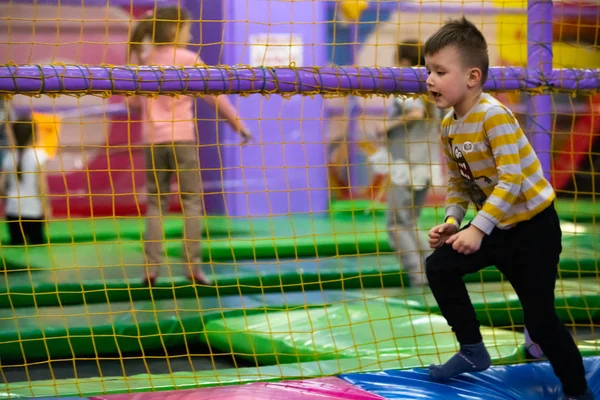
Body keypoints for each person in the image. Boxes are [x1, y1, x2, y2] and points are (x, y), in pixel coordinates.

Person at [423, 17, 594, 400]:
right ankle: (472, 350)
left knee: (540, 319)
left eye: (439, 71)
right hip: (496, 226)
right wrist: (453, 221)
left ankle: (577, 390)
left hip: (534, 229)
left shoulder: (493, 115)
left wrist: (478, 228)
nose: (429, 79)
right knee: (439, 266)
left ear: (472, 77)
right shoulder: (449, 125)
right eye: (427, 70)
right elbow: (459, 183)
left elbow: (511, 180)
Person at [128, 6, 252, 286]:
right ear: (174, 31)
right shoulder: (188, 59)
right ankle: (192, 267)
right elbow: (214, 96)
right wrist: (238, 125)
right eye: (187, 28)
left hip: (152, 142)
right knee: (192, 203)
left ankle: (151, 269)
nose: (191, 33)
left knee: (156, 205)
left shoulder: (145, 61)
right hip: (182, 139)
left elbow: (132, 102)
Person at [373, 40, 440, 287]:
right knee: (409, 222)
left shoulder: (410, 85)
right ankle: (433, 272)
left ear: (403, 62)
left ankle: (418, 276)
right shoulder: (434, 85)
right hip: (426, 166)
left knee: (396, 226)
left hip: (407, 167)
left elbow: (415, 113)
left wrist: (385, 126)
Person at [0, 117, 50, 246]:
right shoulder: (38, 155)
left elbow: (1, 186)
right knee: (37, 247)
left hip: (12, 212)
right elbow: (41, 186)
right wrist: (47, 208)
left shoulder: (10, 157)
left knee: (17, 247)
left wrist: (9, 201)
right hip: (33, 211)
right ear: (33, 135)